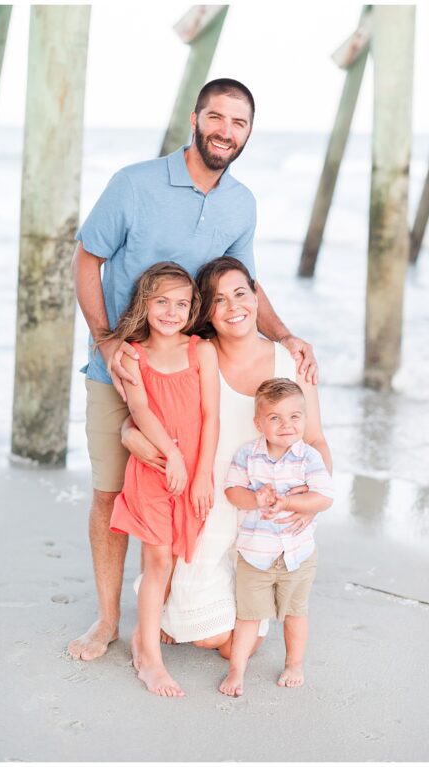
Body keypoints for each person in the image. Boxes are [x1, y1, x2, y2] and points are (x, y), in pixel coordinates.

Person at [69, 78, 316, 662]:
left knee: (193, 489)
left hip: (191, 378)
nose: (225, 131)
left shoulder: (241, 203)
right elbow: (87, 259)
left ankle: (180, 607)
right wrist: (106, 341)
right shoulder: (134, 184)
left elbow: (245, 287)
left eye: (239, 123)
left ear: (249, 133)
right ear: (195, 118)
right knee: (112, 492)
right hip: (123, 368)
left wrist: (284, 335)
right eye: (217, 117)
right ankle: (107, 620)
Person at [122, 257, 331, 663]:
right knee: (206, 638)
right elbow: (156, 405)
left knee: (236, 646)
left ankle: (245, 614)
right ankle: (184, 610)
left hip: (266, 514)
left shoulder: (292, 361)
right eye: (218, 300)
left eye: (241, 294)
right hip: (210, 502)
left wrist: (314, 504)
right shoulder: (198, 353)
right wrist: (128, 433)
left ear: (256, 297)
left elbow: (316, 439)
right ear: (206, 312)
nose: (234, 307)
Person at [100, 262, 220, 696]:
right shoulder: (133, 353)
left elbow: (211, 417)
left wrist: (201, 471)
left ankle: (143, 638)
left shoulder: (200, 351)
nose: (171, 311)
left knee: (176, 559)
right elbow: (142, 411)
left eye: (181, 304)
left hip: (192, 474)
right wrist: (171, 454)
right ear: (145, 303)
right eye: (162, 302)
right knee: (158, 560)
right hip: (154, 469)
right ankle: (149, 657)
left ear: (192, 309)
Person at [219, 378, 335, 696]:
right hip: (255, 553)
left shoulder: (308, 458)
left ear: (305, 419)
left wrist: (290, 502)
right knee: (248, 617)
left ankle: (294, 664)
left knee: (295, 613)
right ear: (259, 422)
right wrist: (255, 499)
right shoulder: (248, 455)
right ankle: (236, 671)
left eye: (295, 417)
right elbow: (232, 491)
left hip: (297, 553)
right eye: (275, 418)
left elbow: (324, 497)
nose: (286, 425)